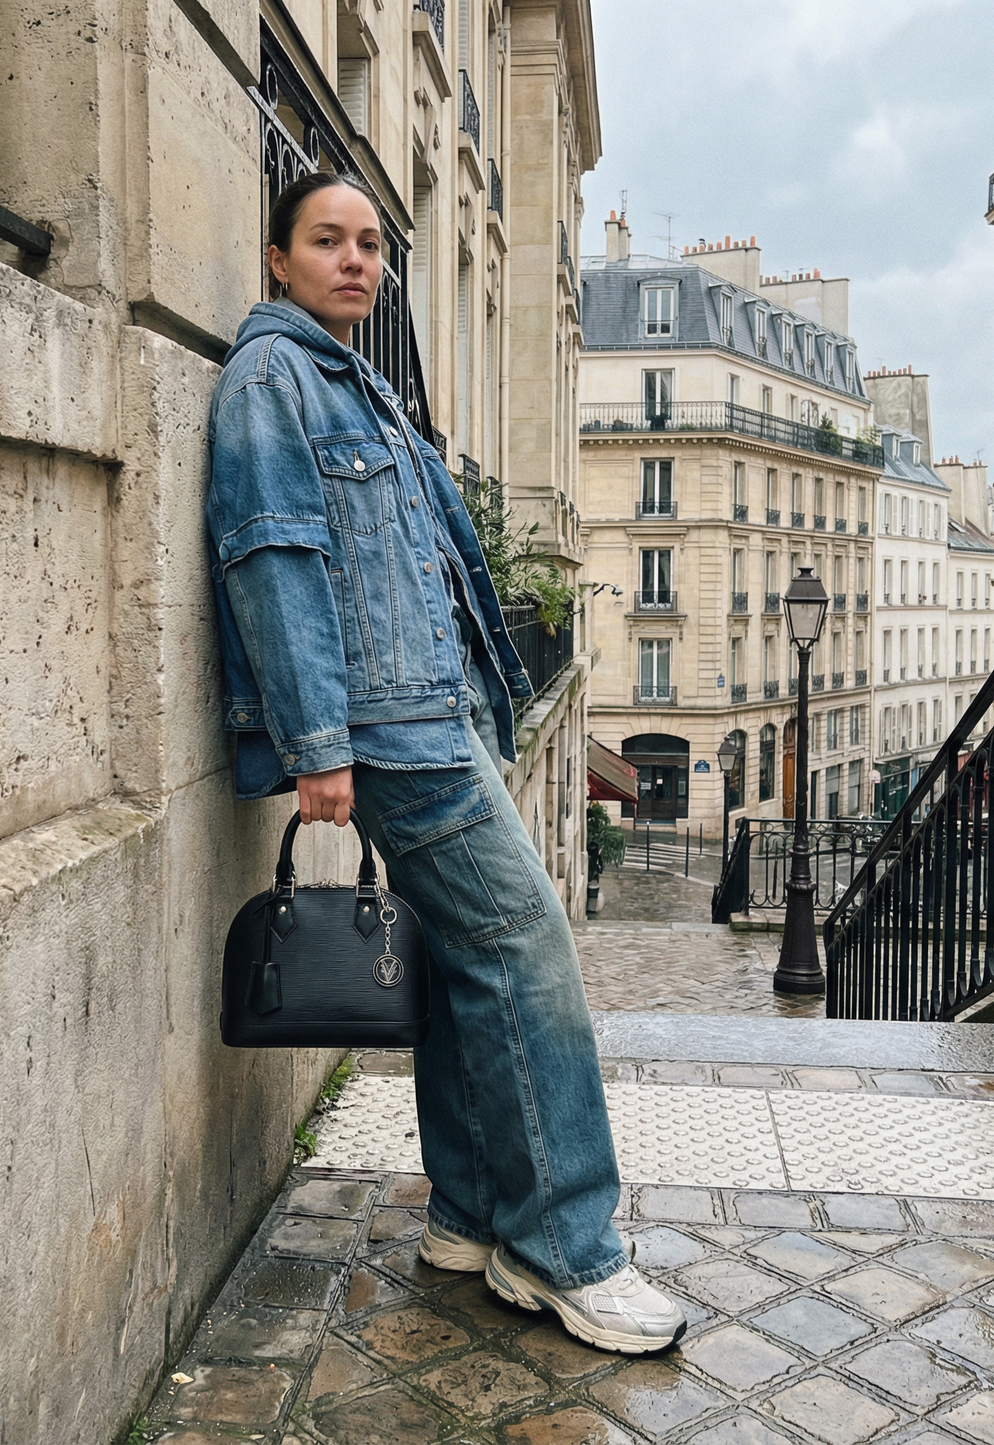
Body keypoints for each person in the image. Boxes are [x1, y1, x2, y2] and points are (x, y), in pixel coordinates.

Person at [205, 170, 686, 1354]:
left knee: (476, 958)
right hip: (389, 735)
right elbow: (274, 559)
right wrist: (318, 746)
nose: (355, 262)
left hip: (432, 712)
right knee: (528, 950)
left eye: (370, 244)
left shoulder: (352, 378)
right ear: (276, 258)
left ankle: (470, 1215)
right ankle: (564, 1247)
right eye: (327, 240)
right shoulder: (271, 379)